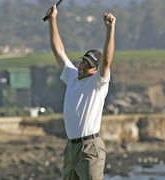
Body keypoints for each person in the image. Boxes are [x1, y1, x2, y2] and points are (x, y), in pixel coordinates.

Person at [46, 4, 116, 180]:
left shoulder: (98, 83)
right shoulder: (72, 76)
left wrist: (110, 29)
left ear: (94, 69)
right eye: (82, 61)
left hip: (90, 147)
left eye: (87, 64)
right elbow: (58, 50)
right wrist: (53, 20)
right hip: (71, 148)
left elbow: (107, 61)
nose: (82, 65)